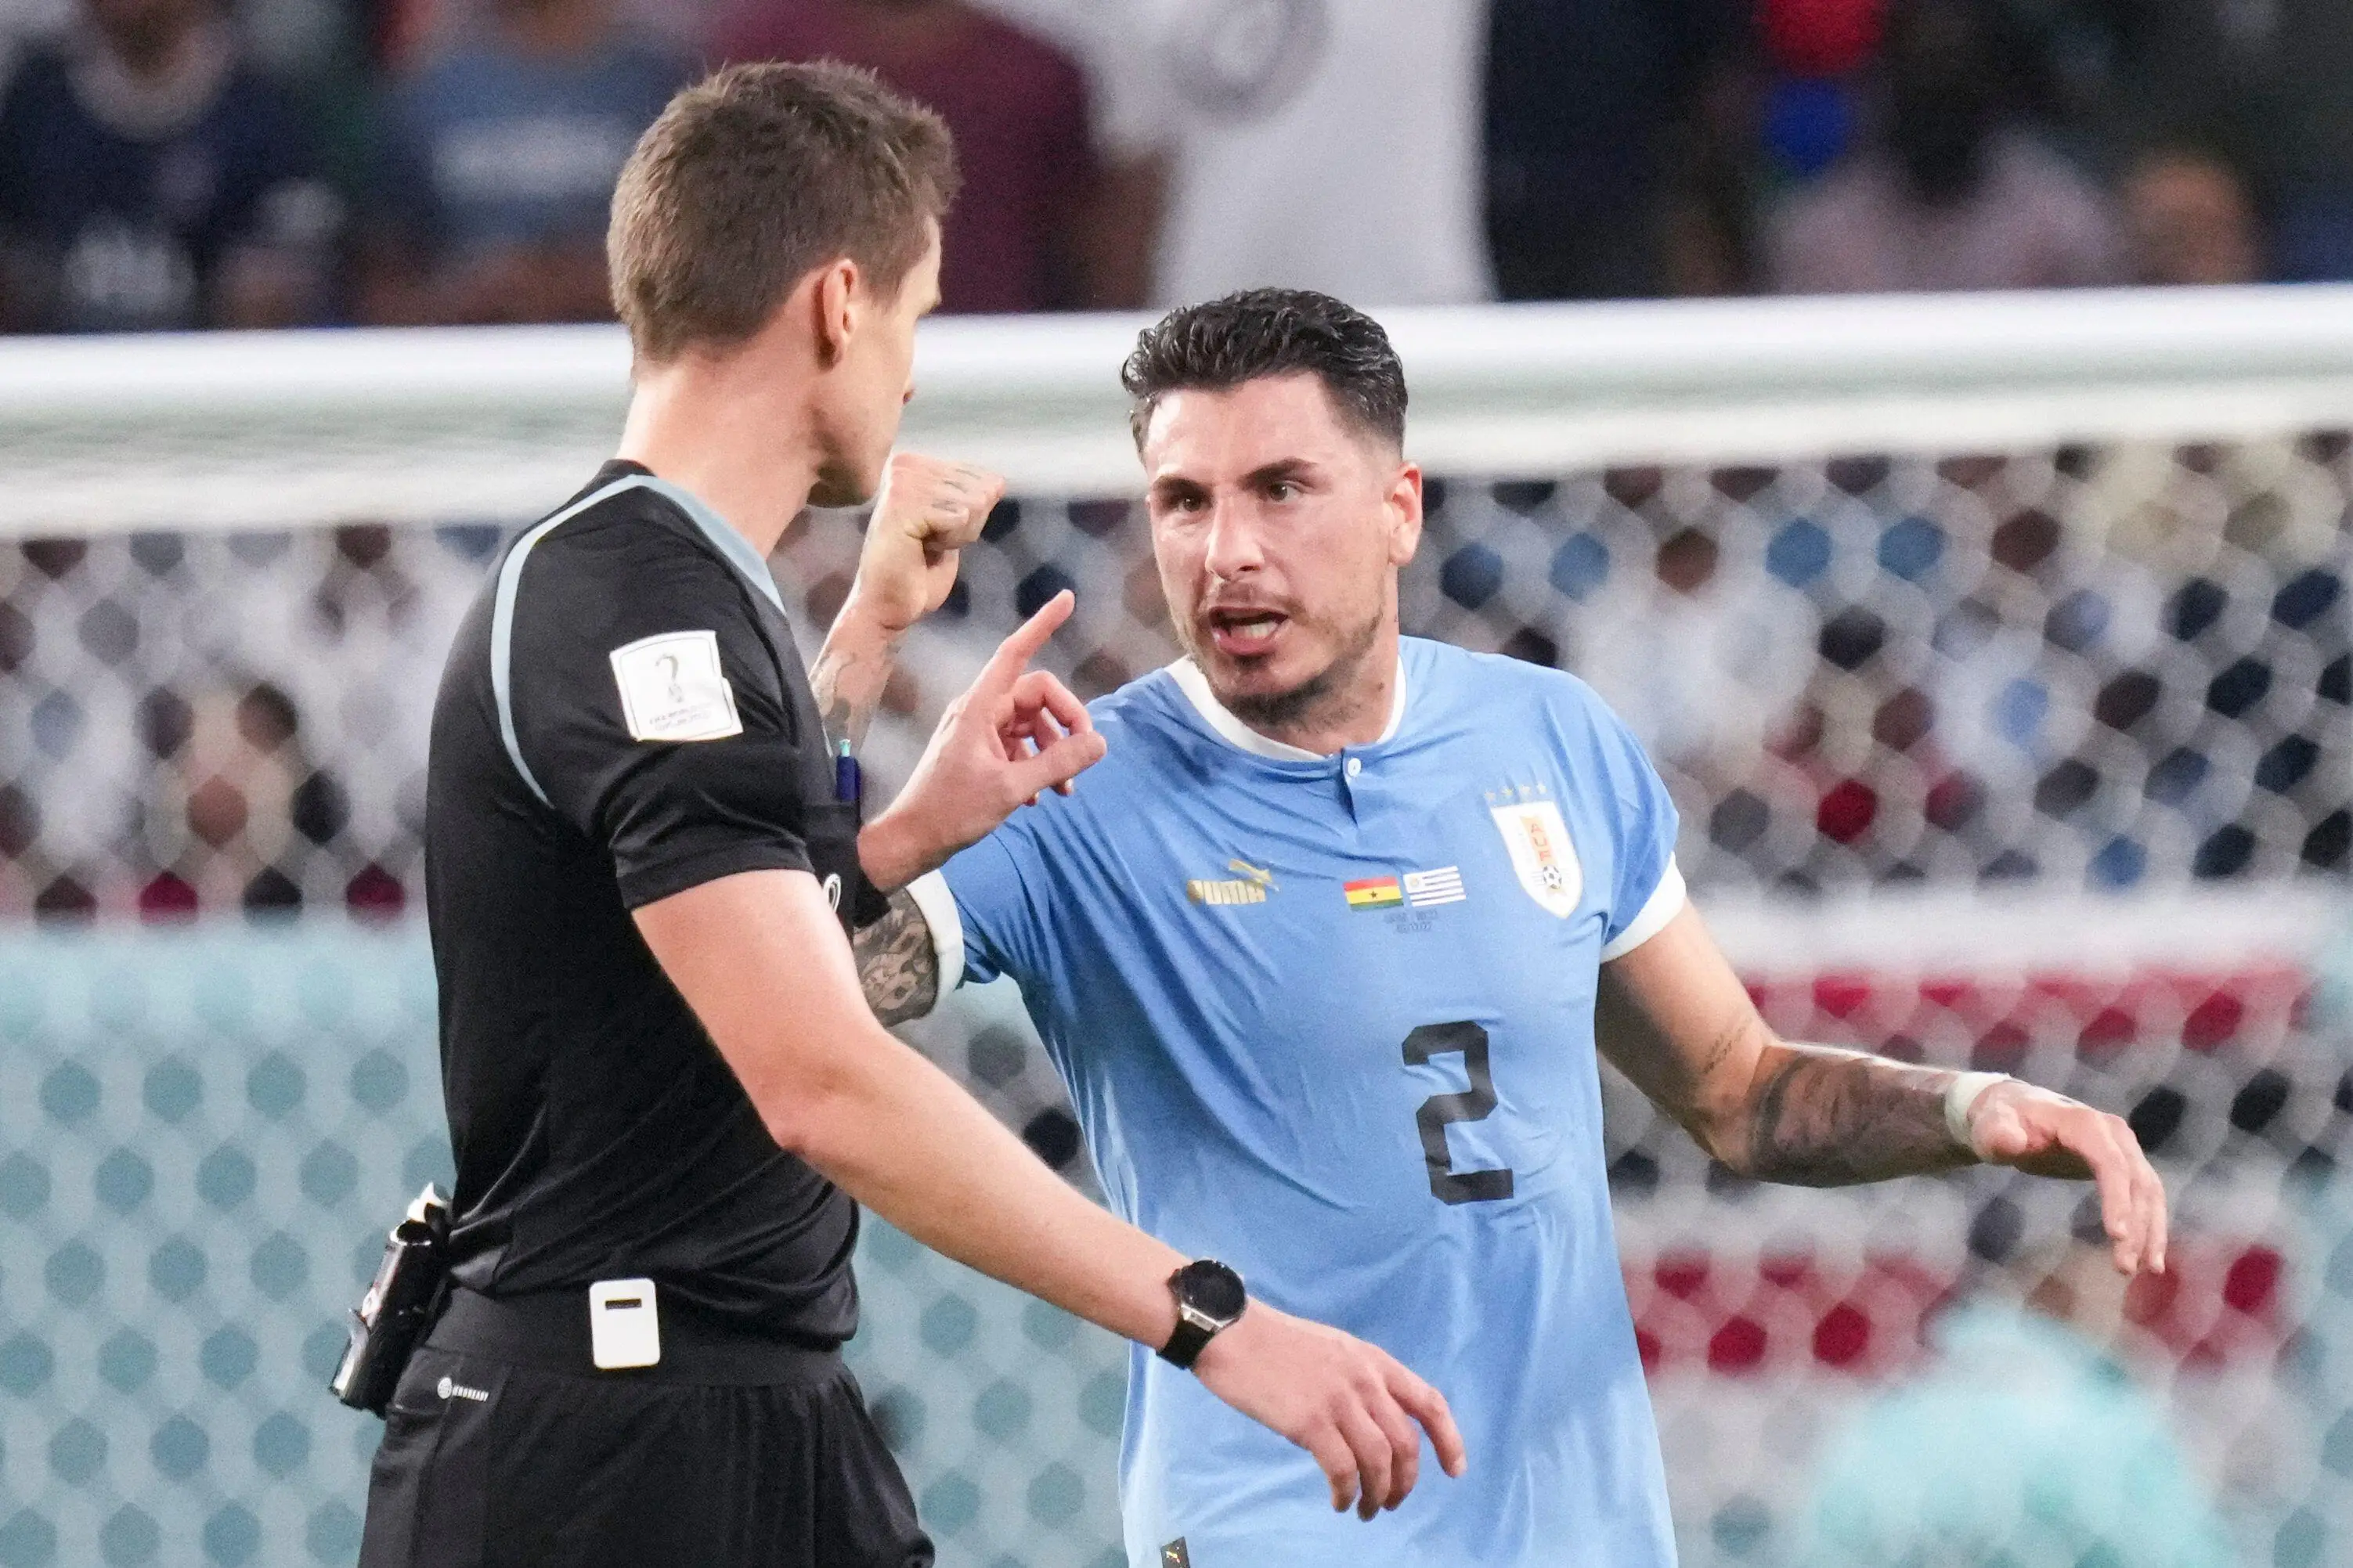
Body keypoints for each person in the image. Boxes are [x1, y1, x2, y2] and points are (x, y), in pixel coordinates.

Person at [857, 288, 2171, 1566]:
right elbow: (795, 990)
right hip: (1275, 1508)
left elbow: (1739, 1089)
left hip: (1578, 1517)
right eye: (1183, 501)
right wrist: (873, 716)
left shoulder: (1553, 741)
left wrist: (1968, 1108)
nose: (1227, 549)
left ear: (1399, 510)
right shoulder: (1079, 780)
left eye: (1281, 487)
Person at [358, 65, 1462, 1568]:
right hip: (608, 1448)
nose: (915, 372)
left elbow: (673, 954)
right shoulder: (634, 607)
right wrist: (1214, 1320)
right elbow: (817, 1076)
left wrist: (887, 772)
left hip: (737, 1407)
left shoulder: (666, 588)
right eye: (917, 317)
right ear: (835, 304)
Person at [718, 0, 1157, 312]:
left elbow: (1092, 254)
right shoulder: (763, 54)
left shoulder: (1036, 74)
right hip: (805, 362)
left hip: (998, 370)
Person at [0, 0, 338, 331]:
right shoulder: (36, 102)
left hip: (212, 370)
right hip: (58, 366)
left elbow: (299, 257)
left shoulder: (262, 111)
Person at [356, 0, 688, 325]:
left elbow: (702, 277)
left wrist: (576, 283)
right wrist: (469, 297)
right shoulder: (426, 97)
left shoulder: (657, 87)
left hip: (616, 356)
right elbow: (380, 290)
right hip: (468, 357)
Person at [1765, 0, 2124, 294]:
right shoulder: (1818, 238)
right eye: (1920, 76)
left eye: (1955, 78)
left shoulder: (2065, 228)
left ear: (1993, 88)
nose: (1937, 99)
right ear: (1886, 87)